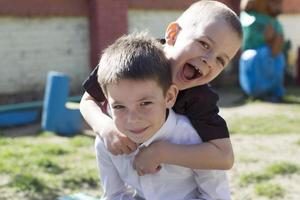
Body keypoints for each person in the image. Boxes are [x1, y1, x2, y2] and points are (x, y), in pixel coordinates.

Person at [80, 0, 242, 175]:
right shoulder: (132, 58)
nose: (209, 61)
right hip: (123, 170)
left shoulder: (199, 97)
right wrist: (105, 127)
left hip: (175, 182)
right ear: (173, 34)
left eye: (220, 60)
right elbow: (88, 100)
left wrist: (161, 152)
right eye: (204, 44)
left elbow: (224, 157)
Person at [95, 32, 231, 200]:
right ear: (108, 104)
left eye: (145, 103)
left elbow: (216, 197)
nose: (132, 119)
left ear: (169, 97)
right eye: (119, 106)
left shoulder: (193, 139)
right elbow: (114, 195)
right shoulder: (106, 142)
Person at [239, 0, 286, 101]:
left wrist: (275, 40)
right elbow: (247, 37)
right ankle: (257, 91)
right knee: (260, 55)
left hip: (271, 52)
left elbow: (278, 36)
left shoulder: (273, 21)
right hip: (253, 52)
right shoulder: (248, 18)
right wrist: (266, 38)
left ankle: (274, 91)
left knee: (279, 58)